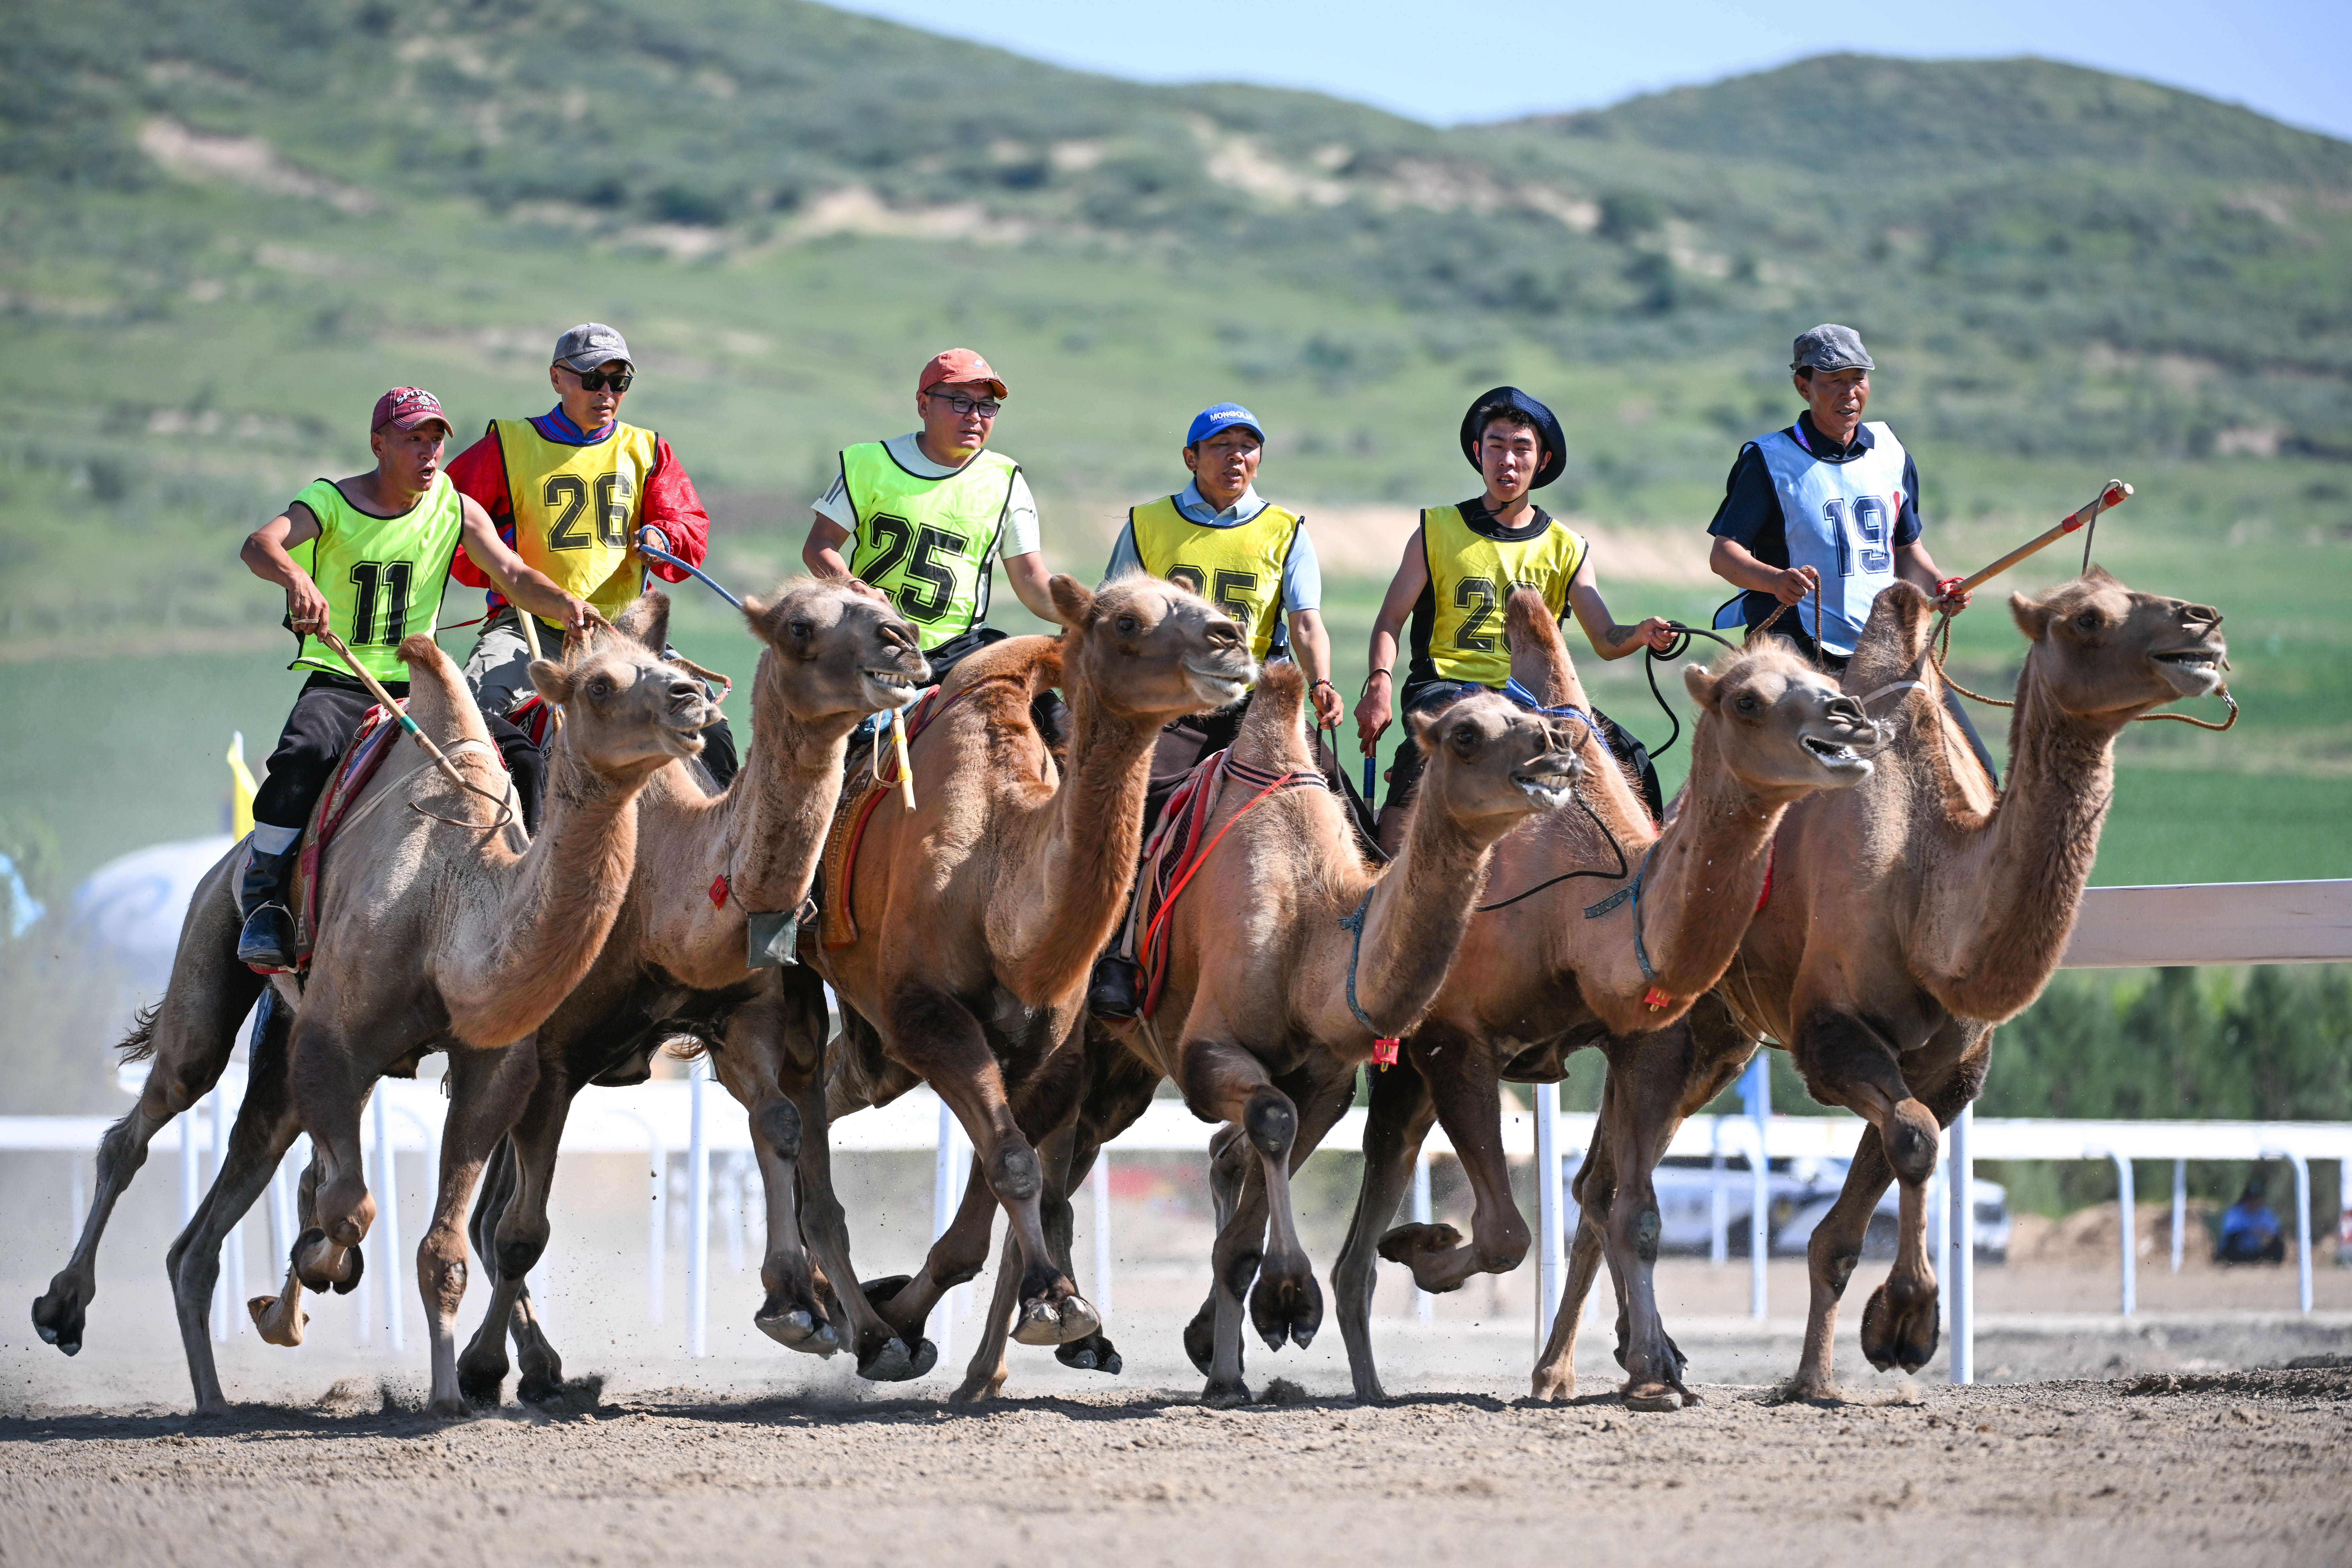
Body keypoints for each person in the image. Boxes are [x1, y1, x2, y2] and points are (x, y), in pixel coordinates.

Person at [234, 387, 598, 969]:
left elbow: (511, 573)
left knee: (525, 759)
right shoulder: (329, 502)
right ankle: (266, 899)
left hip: (423, 685)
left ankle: (530, 892)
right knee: (302, 754)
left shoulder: (455, 507)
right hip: (340, 678)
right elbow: (260, 545)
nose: (429, 452)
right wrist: (296, 580)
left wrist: (566, 604)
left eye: (435, 440)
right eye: (414, 439)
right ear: (378, 444)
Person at [1354, 386, 1675, 852]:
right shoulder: (1435, 530)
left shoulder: (1568, 547)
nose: (1508, 460)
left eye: (1522, 448)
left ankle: (1648, 874)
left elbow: (1606, 639)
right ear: (1477, 452)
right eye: (1497, 446)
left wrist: (1641, 633)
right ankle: (1390, 873)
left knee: (1631, 757)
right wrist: (1379, 686)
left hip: (1535, 696)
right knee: (1421, 761)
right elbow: (1390, 620)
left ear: (1542, 461)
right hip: (1447, 688)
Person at [445, 322, 737, 798]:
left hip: (625, 636)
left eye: (618, 381)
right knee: (476, 716)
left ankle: (721, 842)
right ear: (557, 378)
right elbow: (446, 522)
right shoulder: (508, 444)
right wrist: (495, 562)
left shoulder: (648, 450)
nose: (606, 392)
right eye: (592, 378)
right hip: (527, 628)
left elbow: (689, 528)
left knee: (713, 732)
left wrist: (663, 535)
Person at [1705, 323, 1994, 776]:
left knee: (1977, 768)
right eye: (1833, 381)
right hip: (1797, 646)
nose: (1849, 393)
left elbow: (1907, 551)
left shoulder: (1891, 452)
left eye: (1858, 378)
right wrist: (1775, 581)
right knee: (1809, 779)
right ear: (1803, 386)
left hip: (1883, 643)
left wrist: (1940, 586)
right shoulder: (1768, 460)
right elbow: (1724, 555)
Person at [802, 348, 1059, 671]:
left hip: (964, 650)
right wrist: (855, 590)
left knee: (1047, 706)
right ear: (924, 405)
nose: (975, 416)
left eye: (986, 406)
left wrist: (1083, 616)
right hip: (875, 639)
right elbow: (819, 545)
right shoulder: (869, 463)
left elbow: (1031, 577)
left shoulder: (1007, 480)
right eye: (960, 402)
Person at [1105, 401, 1344, 743]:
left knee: (1328, 779)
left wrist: (1321, 682)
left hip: (1257, 700)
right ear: (1191, 458)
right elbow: (1109, 613)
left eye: (1248, 446)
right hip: (1170, 698)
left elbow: (1305, 622)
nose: (1237, 456)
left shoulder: (1287, 530)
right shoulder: (1146, 523)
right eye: (1221, 445)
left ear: (1258, 462)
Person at [2217, 1176, 2288, 1265]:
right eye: (2251, 1198)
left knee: (2278, 1242)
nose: (2254, 1201)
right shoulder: (2235, 1212)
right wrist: (2249, 1231)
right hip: (2239, 1251)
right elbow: (2229, 1231)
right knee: (2232, 1240)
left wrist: (2263, 1233)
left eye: (2256, 1198)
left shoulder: (2266, 1213)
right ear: (2246, 1198)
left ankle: (2272, 1263)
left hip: (2258, 1251)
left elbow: (2276, 1231)